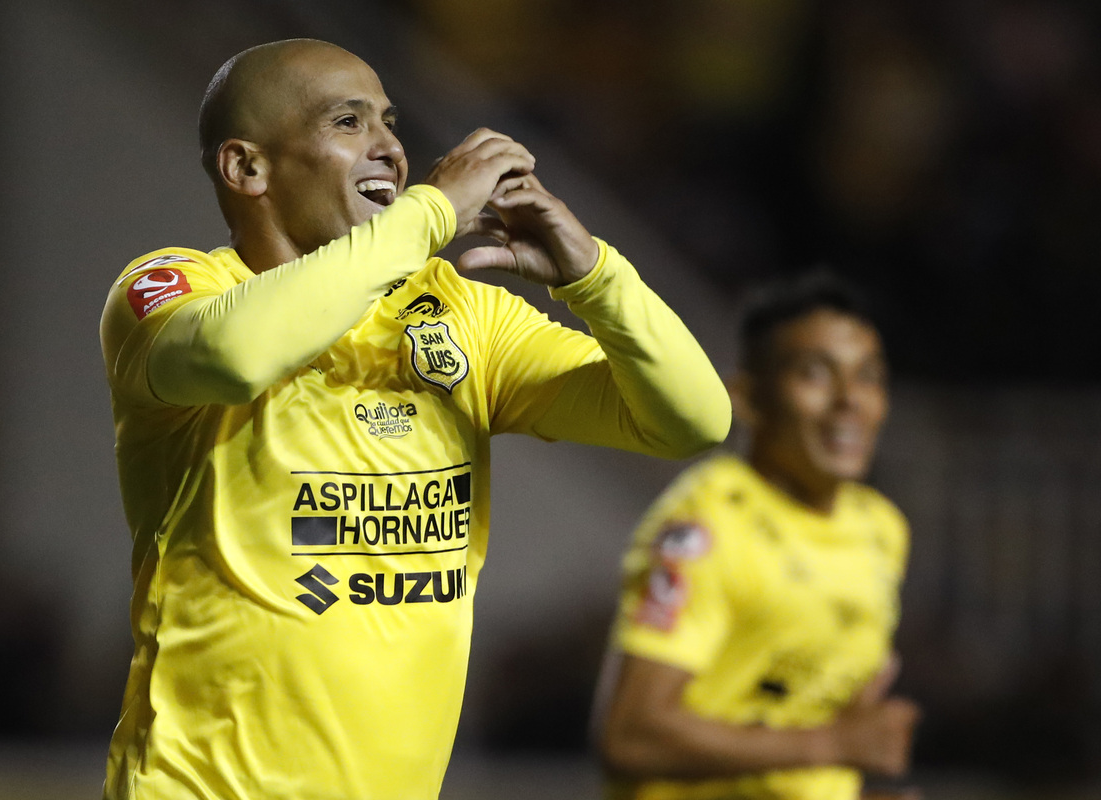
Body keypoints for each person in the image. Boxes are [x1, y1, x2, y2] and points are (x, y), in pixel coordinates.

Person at [98, 38, 731, 800]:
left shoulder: (461, 313)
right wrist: (433, 213)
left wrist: (596, 277)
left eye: (390, 122)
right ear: (247, 168)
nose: (392, 150)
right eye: (348, 122)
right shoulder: (173, 291)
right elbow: (236, 356)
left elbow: (693, 419)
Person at [595, 274, 920, 800]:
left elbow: (801, 718)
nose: (850, 400)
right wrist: (833, 745)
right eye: (816, 374)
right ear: (747, 396)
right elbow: (630, 737)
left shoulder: (881, 528)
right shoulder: (708, 528)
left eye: (868, 377)